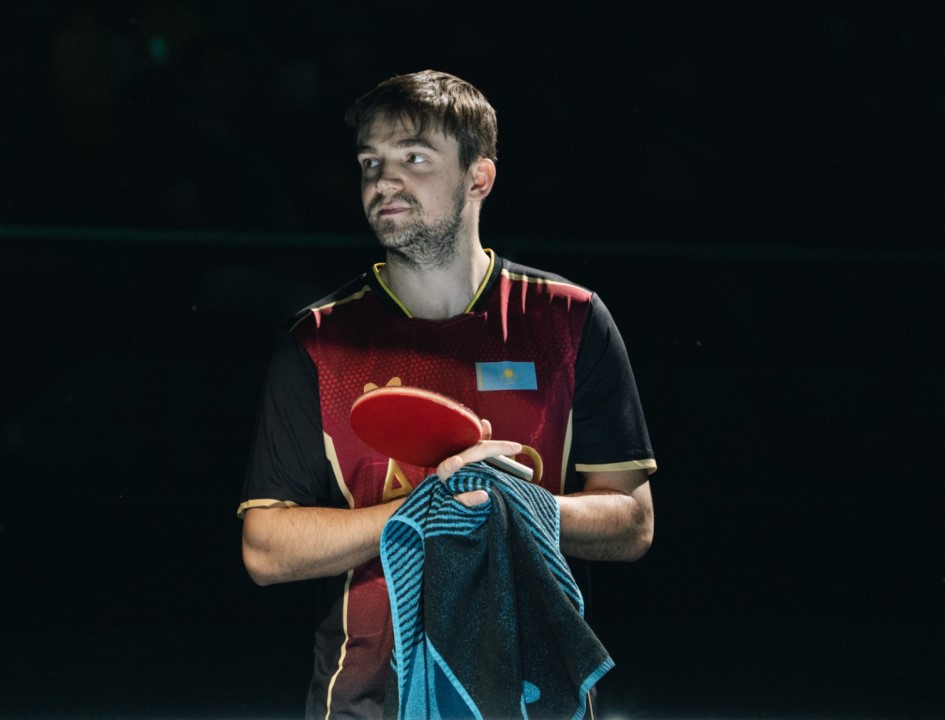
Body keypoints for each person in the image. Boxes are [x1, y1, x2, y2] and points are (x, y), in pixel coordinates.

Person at [238, 69, 656, 719]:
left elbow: (632, 523)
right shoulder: (318, 340)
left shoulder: (571, 320)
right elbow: (265, 547)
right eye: (371, 162)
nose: (384, 181)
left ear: (478, 177)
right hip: (367, 702)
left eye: (414, 158)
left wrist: (509, 500)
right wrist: (427, 506)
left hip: (533, 699)